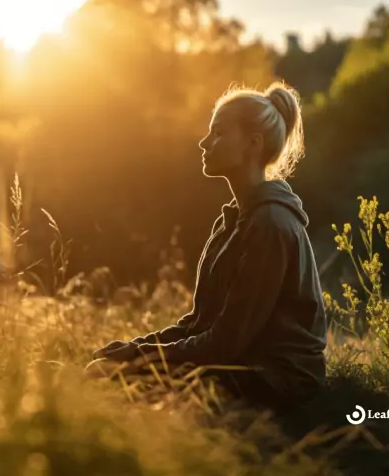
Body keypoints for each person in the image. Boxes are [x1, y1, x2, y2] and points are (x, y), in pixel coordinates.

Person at [87, 82, 328, 414]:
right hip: (240, 361)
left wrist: (141, 362)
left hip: (277, 377)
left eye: (217, 133)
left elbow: (227, 341)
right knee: (101, 370)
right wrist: (132, 349)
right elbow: (201, 324)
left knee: (119, 386)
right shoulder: (233, 221)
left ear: (252, 145)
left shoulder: (269, 224)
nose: (204, 143)